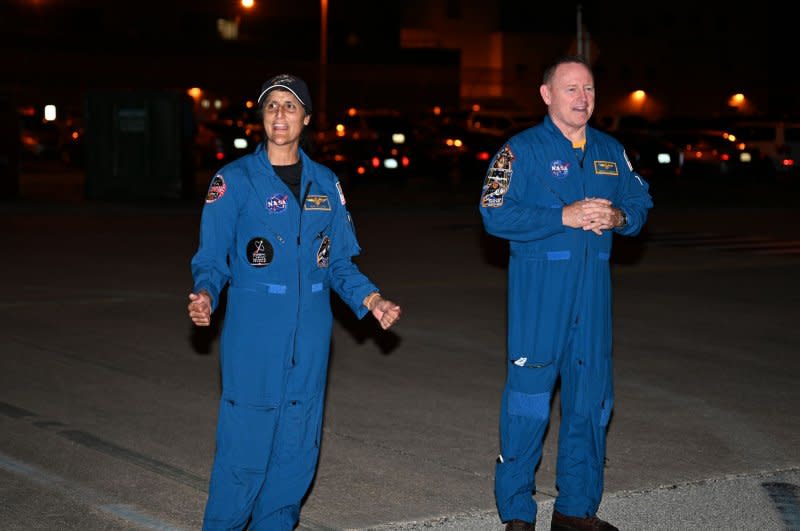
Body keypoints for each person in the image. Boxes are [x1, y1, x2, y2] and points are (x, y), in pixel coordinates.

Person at [187, 73, 401, 530]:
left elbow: (339, 263)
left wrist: (372, 299)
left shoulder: (326, 183)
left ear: (306, 118)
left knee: (295, 453)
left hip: (312, 336)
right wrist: (205, 293)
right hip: (254, 334)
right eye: (271, 106)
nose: (279, 114)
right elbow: (211, 257)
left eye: (289, 106)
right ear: (261, 118)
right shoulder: (234, 181)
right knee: (244, 452)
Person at [479, 55, 653, 531]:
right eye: (572, 89)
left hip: (593, 299)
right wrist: (562, 216)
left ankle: (576, 509)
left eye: (590, 89)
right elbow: (493, 212)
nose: (583, 98)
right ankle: (517, 513)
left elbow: (640, 199)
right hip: (540, 299)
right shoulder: (521, 151)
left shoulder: (610, 150)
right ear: (547, 94)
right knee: (528, 404)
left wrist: (621, 217)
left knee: (591, 402)